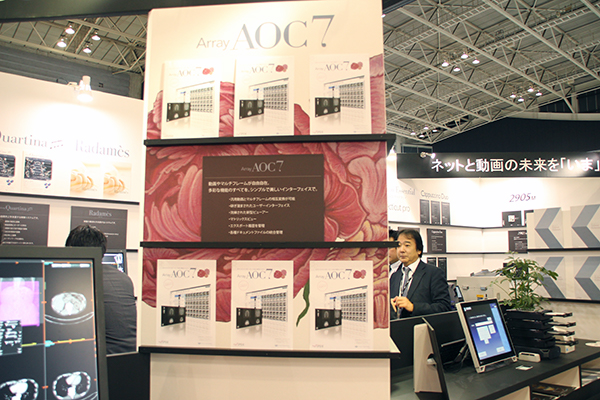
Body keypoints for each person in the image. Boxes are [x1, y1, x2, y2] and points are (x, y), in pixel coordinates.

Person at [65, 224, 137, 354]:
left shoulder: (81, 278)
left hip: (104, 358)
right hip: (131, 355)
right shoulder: (124, 278)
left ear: (71, 250)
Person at [389, 228, 451, 319]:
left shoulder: (433, 273)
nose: (401, 250)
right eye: (398, 246)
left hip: (422, 326)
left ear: (419, 250)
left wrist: (413, 307)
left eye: (407, 245)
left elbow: (444, 307)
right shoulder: (394, 275)